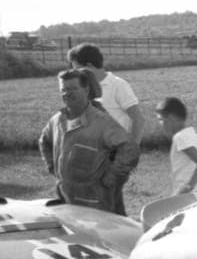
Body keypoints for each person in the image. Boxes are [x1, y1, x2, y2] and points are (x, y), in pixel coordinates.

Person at [39, 68, 140, 215]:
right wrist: (52, 166)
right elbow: (44, 141)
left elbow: (129, 148)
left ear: (86, 90)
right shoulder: (57, 120)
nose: (67, 93)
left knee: (109, 227)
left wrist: (112, 176)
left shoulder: (102, 122)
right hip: (66, 198)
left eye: (73, 88)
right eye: (64, 90)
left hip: (95, 203)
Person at [67, 43, 145, 215]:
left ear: (89, 66)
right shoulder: (84, 89)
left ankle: (120, 229)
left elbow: (138, 120)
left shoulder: (117, 85)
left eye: (77, 69)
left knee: (106, 201)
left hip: (113, 155)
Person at [155, 96, 197, 196]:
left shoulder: (180, 137)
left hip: (189, 196)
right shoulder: (196, 136)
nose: (160, 124)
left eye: (161, 119)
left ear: (171, 118)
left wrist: (187, 188)